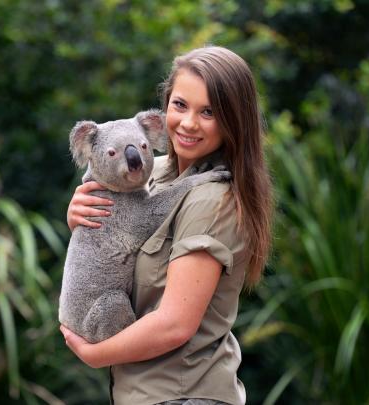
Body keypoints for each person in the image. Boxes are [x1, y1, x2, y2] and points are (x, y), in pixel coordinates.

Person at [60, 45, 273, 405]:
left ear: (233, 119)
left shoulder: (212, 197)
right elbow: (112, 206)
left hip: (184, 394)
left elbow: (175, 324)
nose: (189, 122)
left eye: (208, 112)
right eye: (180, 105)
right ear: (162, 110)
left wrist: (96, 355)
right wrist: (80, 213)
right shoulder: (151, 173)